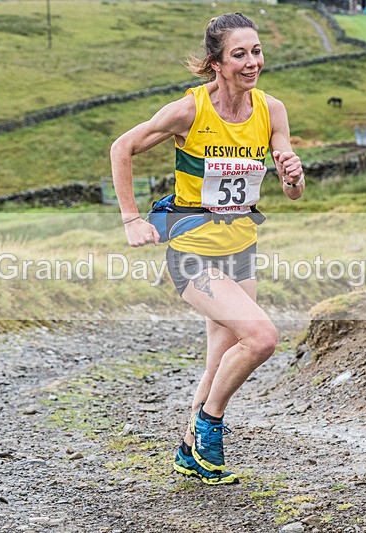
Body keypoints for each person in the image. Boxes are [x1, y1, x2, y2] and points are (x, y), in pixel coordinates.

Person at [110, 12, 304, 485]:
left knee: (221, 358)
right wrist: (132, 219)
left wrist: (293, 177)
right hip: (193, 252)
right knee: (261, 338)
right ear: (216, 63)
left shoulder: (272, 110)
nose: (252, 62)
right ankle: (209, 423)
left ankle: (188, 452)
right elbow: (122, 147)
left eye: (256, 51)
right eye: (240, 54)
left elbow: (293, 192)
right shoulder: (190, 111)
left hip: (242, 250)